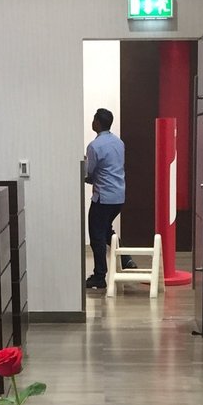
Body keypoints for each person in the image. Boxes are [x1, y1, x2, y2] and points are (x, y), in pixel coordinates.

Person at [84, 108, 125, 289]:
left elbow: (89, 172)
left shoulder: (94, 146)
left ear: (98, 123)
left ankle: (100, 276)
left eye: (93, 120)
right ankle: (127, 259)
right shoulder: (119, 142)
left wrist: (85, 170)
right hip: (119, 196)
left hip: (103, 197)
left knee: (96, 236)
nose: (92, 122)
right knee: (106, 230)